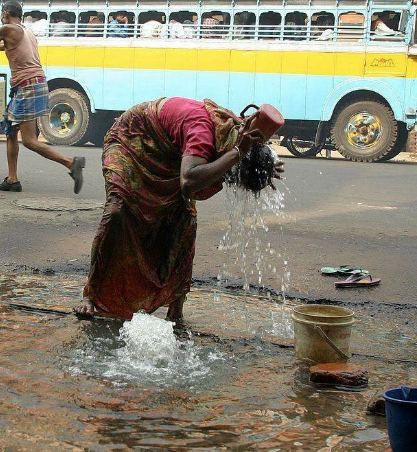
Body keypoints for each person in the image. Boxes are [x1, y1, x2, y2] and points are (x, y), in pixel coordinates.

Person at [73, 98, 285, 321]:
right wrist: (236, 155)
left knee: (184, 220)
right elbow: (188, 183)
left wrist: (265, 167)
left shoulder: (239, 138)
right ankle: (92, 294)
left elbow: (235, 160)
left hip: (173, 156)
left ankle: (176, 306)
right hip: (133, 141)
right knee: (118, 211)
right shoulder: (206, 136)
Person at [0, 1, 85, 194]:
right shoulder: (25, 31)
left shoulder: (6, 28)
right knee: (10, 131)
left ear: (6, 13)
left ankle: (70, 163)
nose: (1, 17)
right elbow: (3, 46)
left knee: (29, 141)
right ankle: (12, 179)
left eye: (1, 14)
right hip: (33, 84)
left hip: (28, 85)